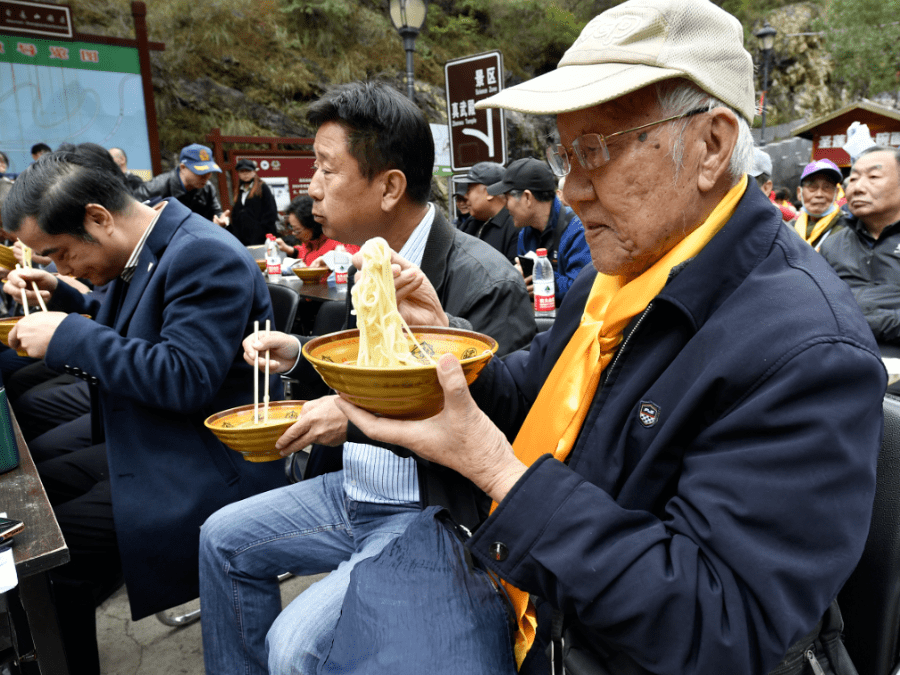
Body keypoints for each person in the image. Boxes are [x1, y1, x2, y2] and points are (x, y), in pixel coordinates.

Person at [326, 2, 886, 674]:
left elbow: (720, 626)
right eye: (566, 152)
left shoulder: (806, 348)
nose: (570, 189)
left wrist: (499, 471)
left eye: (596, 150)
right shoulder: (619, 265)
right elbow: (533, 389)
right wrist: (438, 343)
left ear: (710, 145)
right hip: (519, 582)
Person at [198, 80, 536, 675]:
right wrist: (300, 355)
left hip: (426, 505)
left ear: (389, 187)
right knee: (221, 537)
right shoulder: (370, 260)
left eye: (328, 170)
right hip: (359, 485)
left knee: (295, 646)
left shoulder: (485, 280)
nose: (312, 188)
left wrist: (346, 417)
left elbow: (500, 419)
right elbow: (374, 360)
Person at [0, 150, 287, 674]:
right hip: (155, 438)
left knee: (53, 556)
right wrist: (65, 295)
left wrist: (68, 333)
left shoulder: (204, 254)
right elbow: (134, 324)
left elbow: (184, 377)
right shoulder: (152, 244)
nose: (63, 266)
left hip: (206, 464)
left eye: (60, 254)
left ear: (98, 218)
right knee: (41, 481)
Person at [820, 147, 900, 350]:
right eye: (853, 179)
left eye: (873, 176)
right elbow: (813, 306)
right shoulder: (832, 245)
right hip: (842, 360)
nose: (857, 188)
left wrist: (861, 323)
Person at [488, 157, 591, 304]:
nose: (505, 206)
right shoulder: (525, 233)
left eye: (507, 198)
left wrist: (541, 278)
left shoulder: (578, 229)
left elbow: (583, 291)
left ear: (527, 197)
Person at [135, 143, 229, 225]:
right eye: (200, 172)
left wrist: (221, 220)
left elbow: (216, 213)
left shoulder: (207, 188)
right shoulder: (155, 188)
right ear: (183, 167)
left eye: (209, 172)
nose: (206, 177)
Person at [457, 161, 519, 262]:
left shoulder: (515, 226)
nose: (466, 197)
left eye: (469, 190)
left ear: (489, 193)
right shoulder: (470, 223)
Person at [275, 194, 358, 265]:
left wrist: (328, 260)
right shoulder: (310, 242)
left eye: (297, 230)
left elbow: (354, 259)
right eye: (292, 228)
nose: (294, 233)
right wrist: (291, 251)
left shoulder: (340, 241)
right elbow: (307, 253)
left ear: (312, 225)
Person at [793, 158, 847, 249]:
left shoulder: (847, 230)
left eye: (827, 187)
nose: (819, 194)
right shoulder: (789, 229)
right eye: (812, 187)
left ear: (836, 193)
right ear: (799, 193)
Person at [226, 158, 279, 245]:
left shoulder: (262, 187)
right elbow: (236, 215)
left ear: (254, 172)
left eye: (248, 171)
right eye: (242, 171)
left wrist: (261, 231)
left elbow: (271, 212)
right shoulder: (239, 191)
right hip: (243, 238)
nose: (245, 174)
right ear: (238, 174)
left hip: (261, 237)